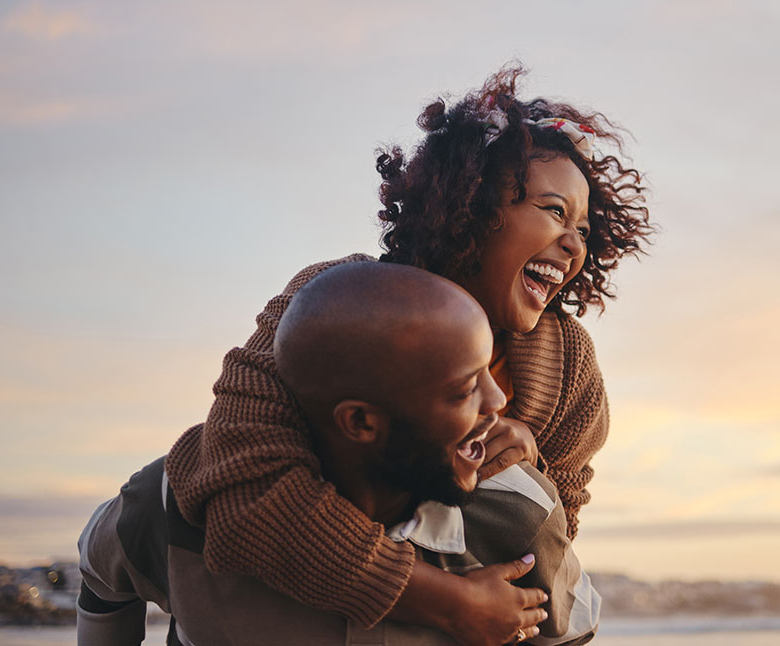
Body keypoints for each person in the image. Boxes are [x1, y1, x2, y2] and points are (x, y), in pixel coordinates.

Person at [165, 64, 651, 645]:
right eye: (552, 210)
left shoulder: (568, 364)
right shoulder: (332, 303)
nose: (574, 244)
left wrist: (533, 468)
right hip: (275, 608)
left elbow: (551, 544)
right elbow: (245, 491)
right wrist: (445, 602)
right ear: (472, 204)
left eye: (584, 227)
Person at [77, 263, 600, 646]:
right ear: (361, 421)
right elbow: (100, 573)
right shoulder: (178, 500)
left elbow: (569, 632)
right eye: (465, 389)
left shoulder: (519, 514)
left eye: (492, 369)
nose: (500, 402)